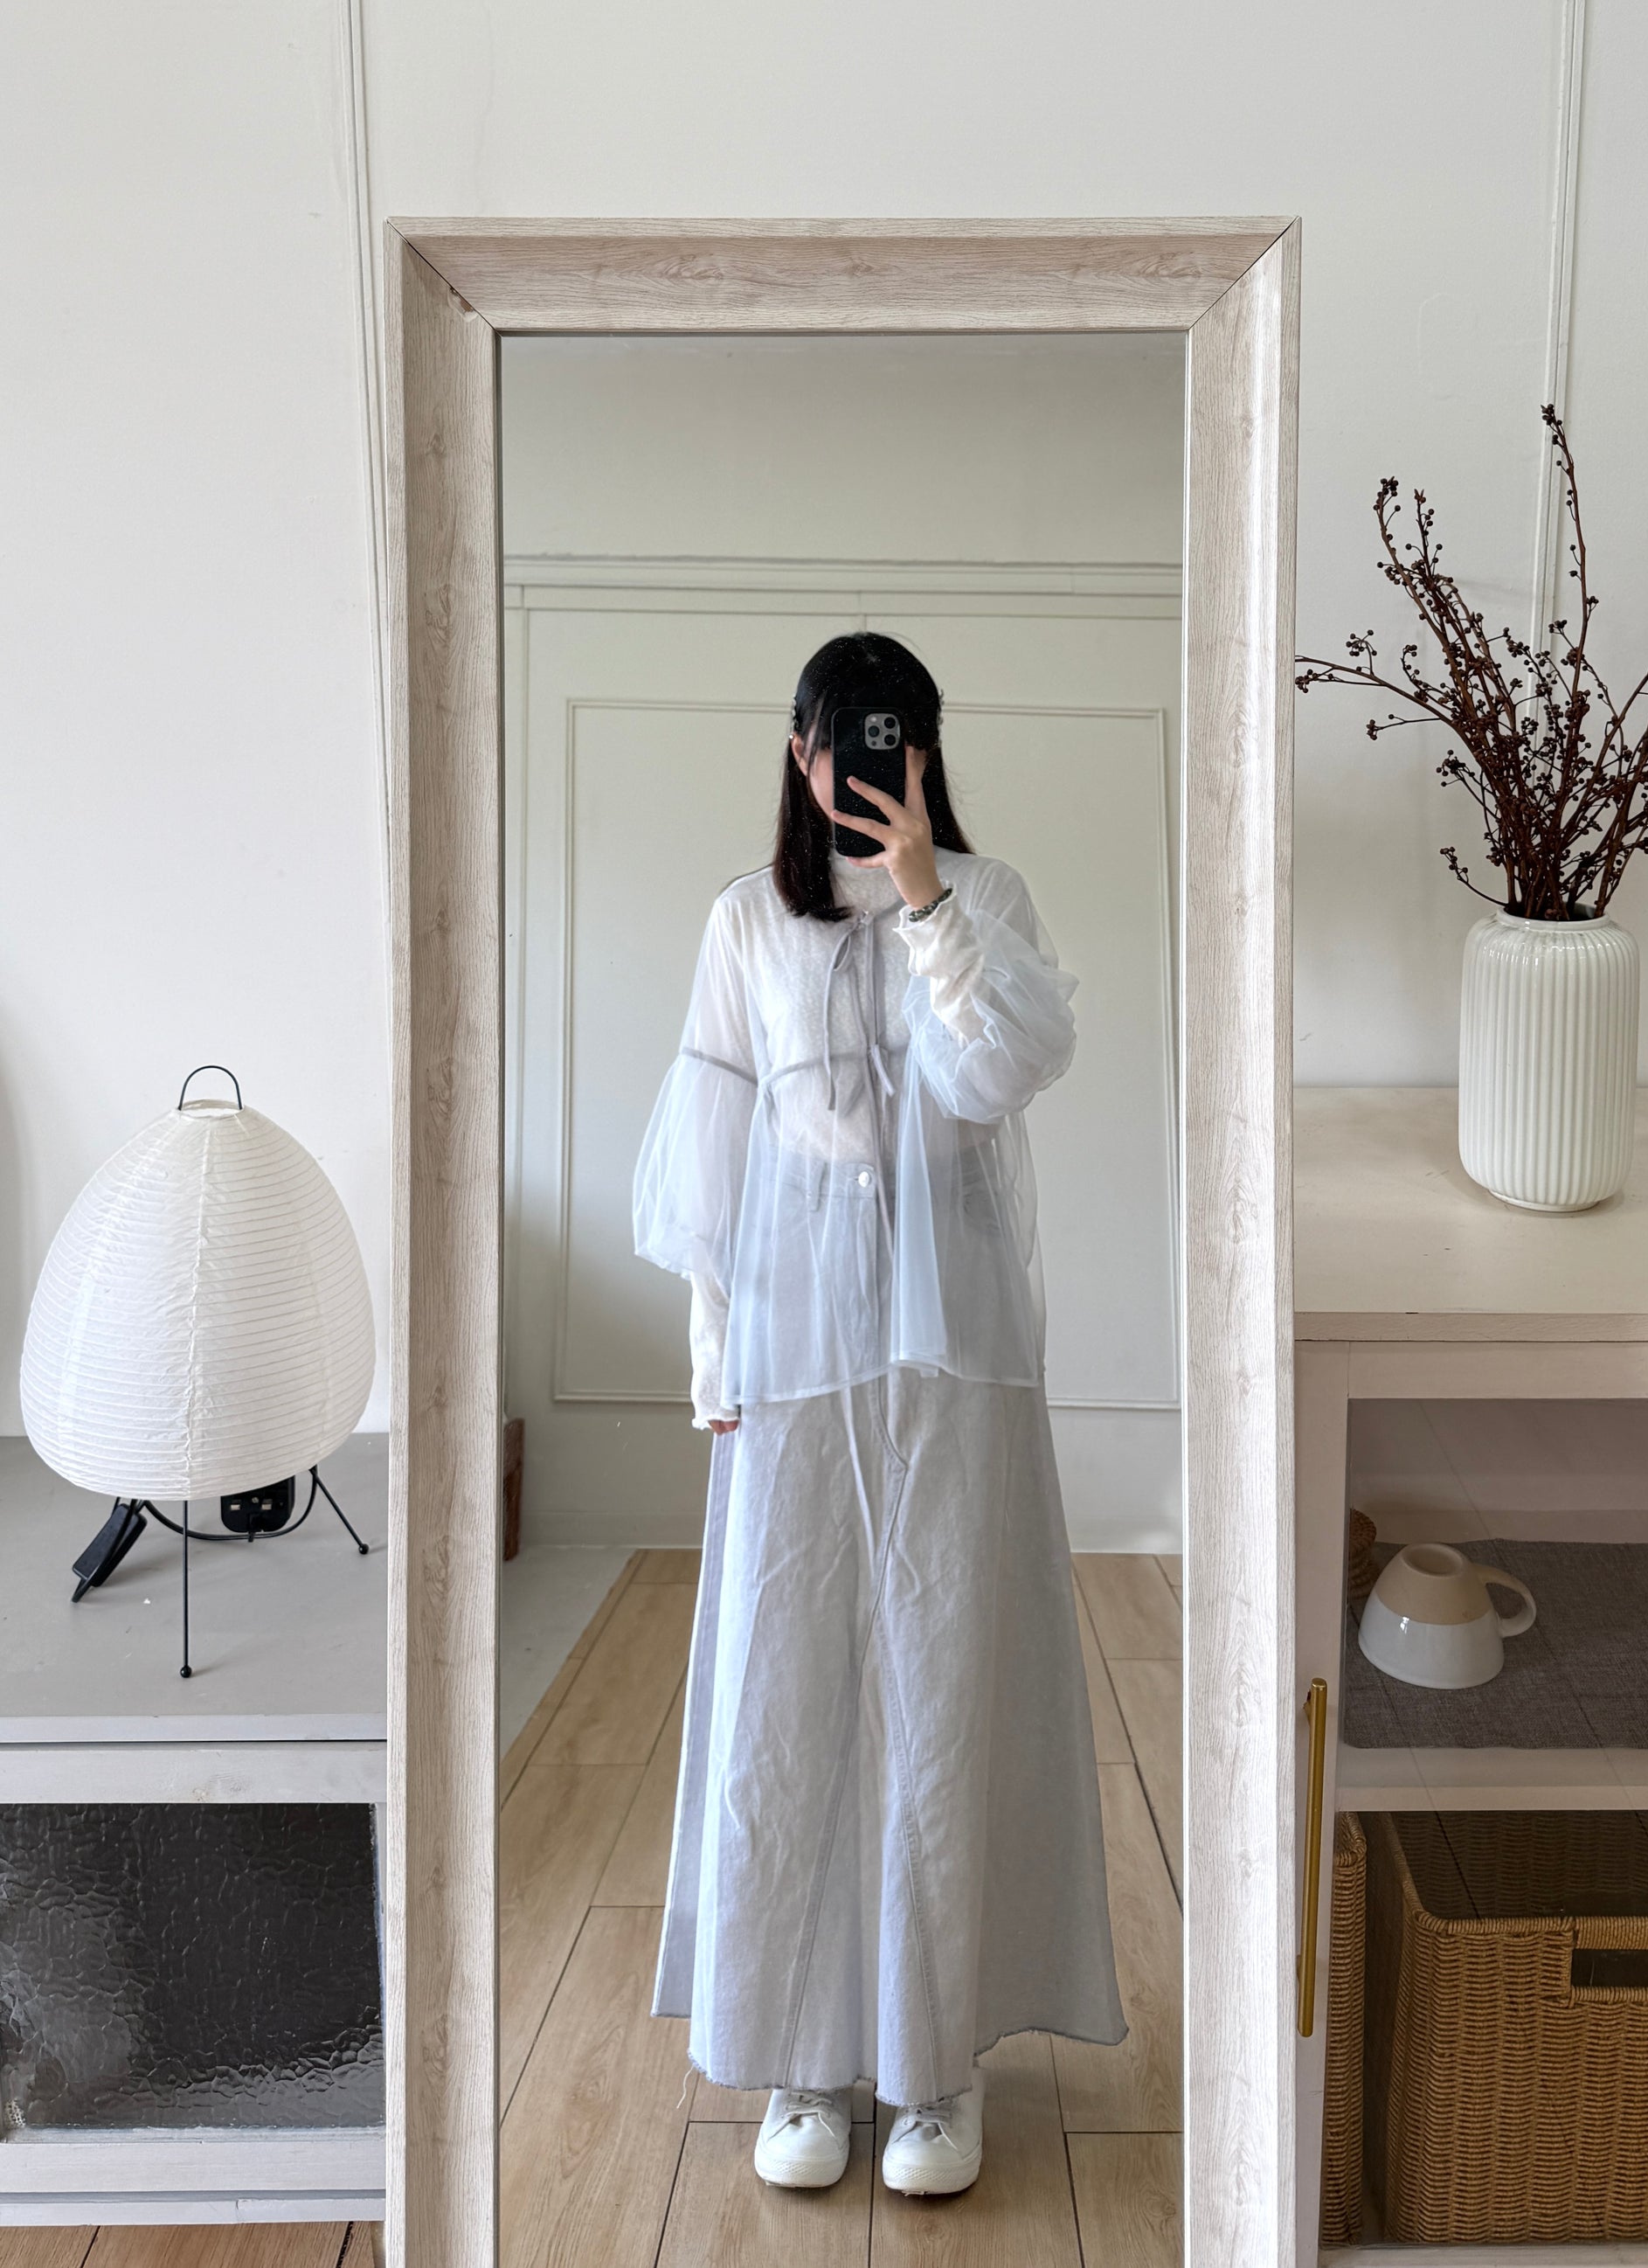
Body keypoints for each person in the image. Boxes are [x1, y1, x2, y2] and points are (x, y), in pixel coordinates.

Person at [633, 631, 1125, 2197]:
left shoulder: (984, 899)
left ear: (922, 747)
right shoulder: (743, 919)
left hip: (952, 1347)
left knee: (941, 1677)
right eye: (842, 736)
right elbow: (713, 1139)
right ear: (800, 749)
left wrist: (925, 902)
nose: (865, 760)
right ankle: (805, 2051)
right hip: (796, 1347)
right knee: (787, 1683)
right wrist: (712, 1345)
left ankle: (932, 2064)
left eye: (893, 734)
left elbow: (1004, 1074)